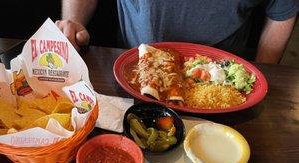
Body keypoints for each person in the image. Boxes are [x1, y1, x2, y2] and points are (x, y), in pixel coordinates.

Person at [56, 0, 298, 63]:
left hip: (222, 79)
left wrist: (261, 77)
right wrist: (73, 21)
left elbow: (282, 11)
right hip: (133, 68)